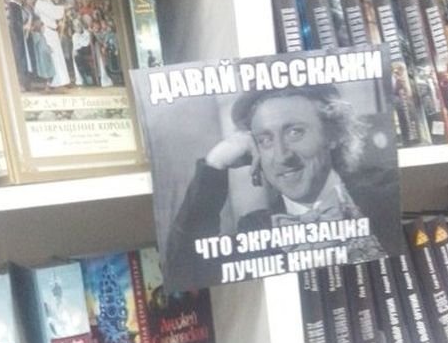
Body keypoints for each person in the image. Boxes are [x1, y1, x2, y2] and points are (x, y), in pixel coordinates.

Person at [165, 86, 397, 287]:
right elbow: (181, 274)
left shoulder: (386, 196)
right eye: (265, 140)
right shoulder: (254, 230)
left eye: (295, 132)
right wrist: (215, 163)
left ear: (333, 134)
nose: (282, 156)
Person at [34, 0, 71, 89]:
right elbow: (54, 12)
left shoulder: (47, 1)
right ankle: (53, 82)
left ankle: (63, 80)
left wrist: (62, 8)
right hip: (47, 32)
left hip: (53, 31)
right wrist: (64, 8)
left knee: (58, 55)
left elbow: (54, 9)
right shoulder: (39, 4)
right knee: (52, 56)